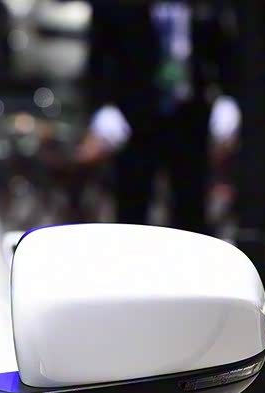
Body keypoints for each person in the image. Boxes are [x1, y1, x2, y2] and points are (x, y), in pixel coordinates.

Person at [77, 0, 241, 235]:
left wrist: (228, 99)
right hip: (134, 120)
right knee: (132, 208)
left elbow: (225, 53)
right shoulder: (118, 7)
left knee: (190, 207)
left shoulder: (205, 7)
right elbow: (99, 58)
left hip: (189, 118)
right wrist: (102, 108)